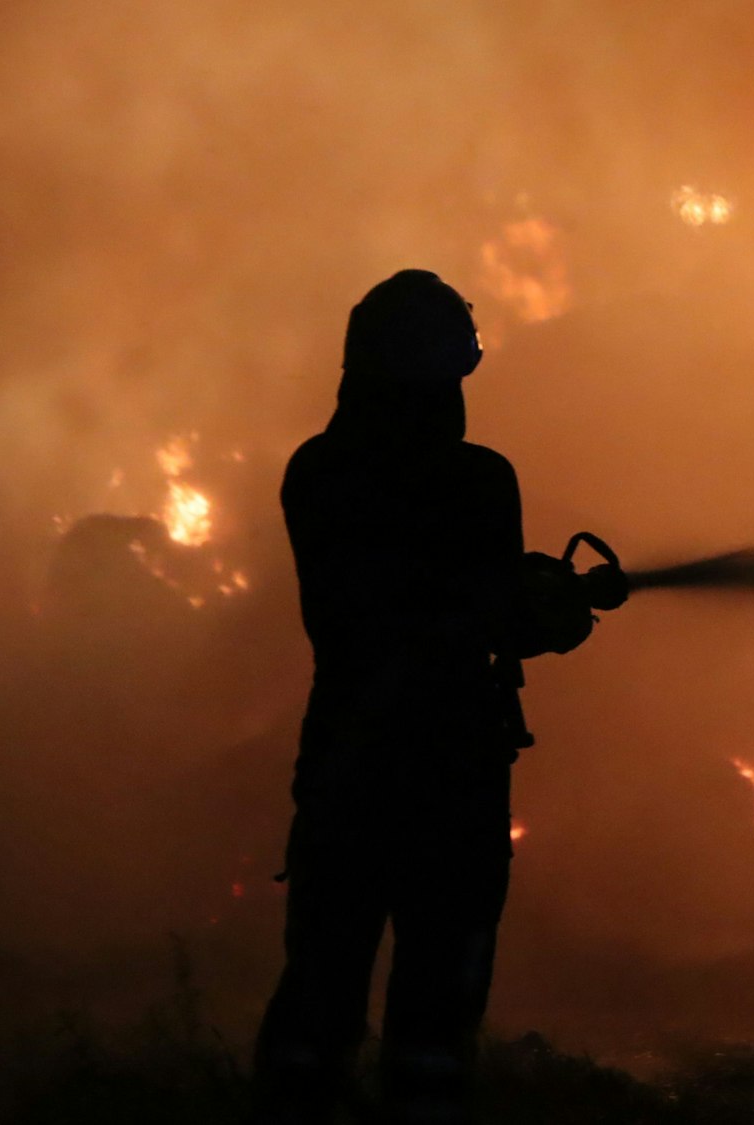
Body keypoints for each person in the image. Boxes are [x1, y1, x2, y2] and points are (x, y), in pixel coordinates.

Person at [254, 270, 605, 1123]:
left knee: (322, 993)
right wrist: (549, 608)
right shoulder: (478, 479)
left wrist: (537, 603)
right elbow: (463, 613)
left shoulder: (318, 470)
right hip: (448, 775)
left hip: (348, 764)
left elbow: (413, 605)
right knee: (434, 1012)